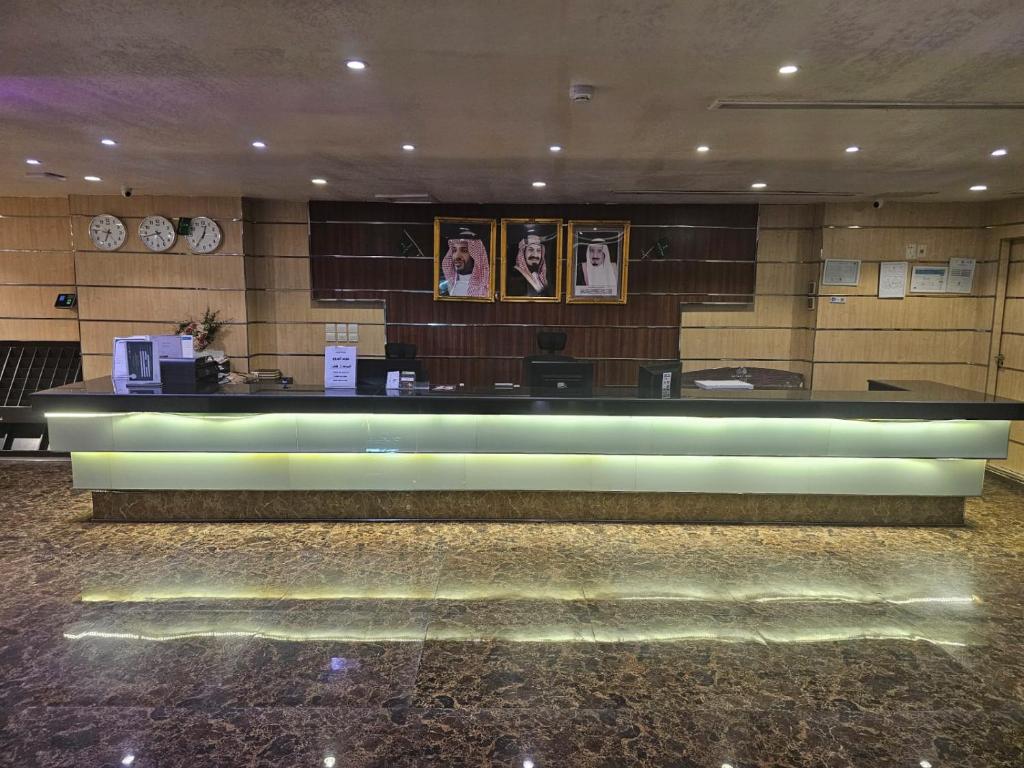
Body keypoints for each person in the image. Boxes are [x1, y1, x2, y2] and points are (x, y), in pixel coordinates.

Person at [439, 232, 490, 297]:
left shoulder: (485, 289)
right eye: (454, 250)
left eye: (464, 251)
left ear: (475, 256)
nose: (457, 256)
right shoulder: (447, 286)